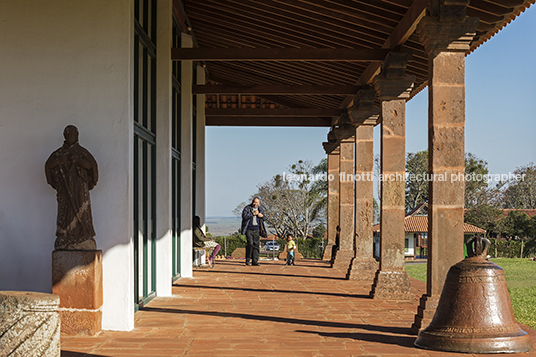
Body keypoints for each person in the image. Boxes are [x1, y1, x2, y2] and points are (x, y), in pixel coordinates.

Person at [45, 125, 99, 250]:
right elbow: (49, 165)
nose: (69, 136)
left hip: (80, 186)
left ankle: (84, 234)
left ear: (77, 135)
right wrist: (59, 160)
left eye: (72, 134)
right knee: (65, 210)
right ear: (64, 136)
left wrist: (79, 161)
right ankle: (65, 234)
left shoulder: (82, 152)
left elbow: (92, 166)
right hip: (64, 186)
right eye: (67, 134)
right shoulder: (59, 153)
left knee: (82, 209)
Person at [240, 197, 267, 266]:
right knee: (250, 244)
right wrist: (253, 214)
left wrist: (262, 216)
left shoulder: (260, 209)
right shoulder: (247, 208)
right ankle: (248, 259)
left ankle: (255, 261)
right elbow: (244, 216)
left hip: (257, 229)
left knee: (256, 245)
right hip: (249, 229)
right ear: (252, 202)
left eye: (257, 202)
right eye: (254, 202)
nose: (255, 204)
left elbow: (264, 218)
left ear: (259, 203)